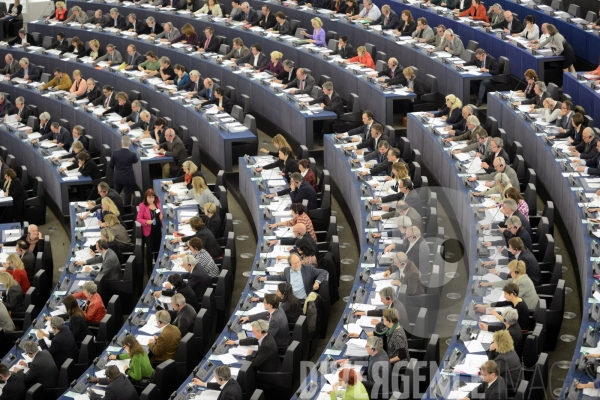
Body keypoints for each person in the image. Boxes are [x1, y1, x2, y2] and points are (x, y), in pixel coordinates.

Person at [261, 253, 327, 301]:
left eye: (298, 262)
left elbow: (324, 272)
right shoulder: (287, 270)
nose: (298, 264)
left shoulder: (308, 269)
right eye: (295, 263)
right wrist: (265, 278)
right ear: (290, 264)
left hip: (301, 300)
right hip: (289, 298)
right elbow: (280, 277)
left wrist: (317, 282)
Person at [137, 188, 163, 275]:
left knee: (157, 248)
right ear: (146, 197)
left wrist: (161, 215)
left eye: (152, 197)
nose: (151, 199)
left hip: (157, 230)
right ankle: (149, 270)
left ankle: (157, 266)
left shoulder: (157, 202)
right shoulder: (142, 206)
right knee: (150, 250)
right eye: (149, 197)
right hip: (148, 231)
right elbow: (139, 218)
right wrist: (146, 222)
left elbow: (159, 210)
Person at [109, 136, 138, 205]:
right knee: (127, 195)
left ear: (121, 143)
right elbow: (135, 160)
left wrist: (116, 172)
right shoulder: (132, 154)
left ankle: (114, 208)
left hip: (118, 177)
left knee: (115, 195)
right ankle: (127, 212)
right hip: (128, 178)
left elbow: (110, 165)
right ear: (129, 144)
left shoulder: (115, 153)